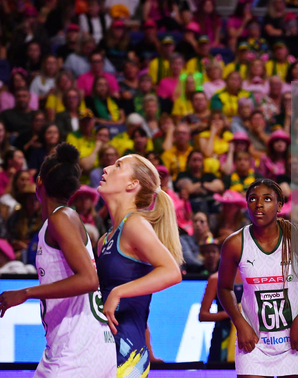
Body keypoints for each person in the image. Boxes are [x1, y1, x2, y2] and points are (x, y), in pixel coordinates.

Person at [0, 143, 116, 377]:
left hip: (79, 350)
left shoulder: (60, 219)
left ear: (39, 183)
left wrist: (25, 293)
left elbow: (89, 280)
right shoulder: (63, 219)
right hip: (73, 346)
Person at [217, 178, 298, 377]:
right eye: (253, 199)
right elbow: (224, 288)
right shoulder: (235, 243)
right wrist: (239, 323)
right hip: (254, 342)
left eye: (267, 199)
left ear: (279, 205)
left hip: (295, 340)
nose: (259, 204)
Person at [96, 154, 183, 377]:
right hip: (102, 349)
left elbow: (172, 272)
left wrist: (118, 292)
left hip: (128, 357)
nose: (105, 169)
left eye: (117, 166)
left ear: (132, 184)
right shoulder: (104, 239)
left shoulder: (134, 224)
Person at [199, 255, 243, 363]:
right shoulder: (215, 279)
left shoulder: (254, 277)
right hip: (223, 334)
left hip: (250, 333)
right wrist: (232, 313)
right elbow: (203, 315)